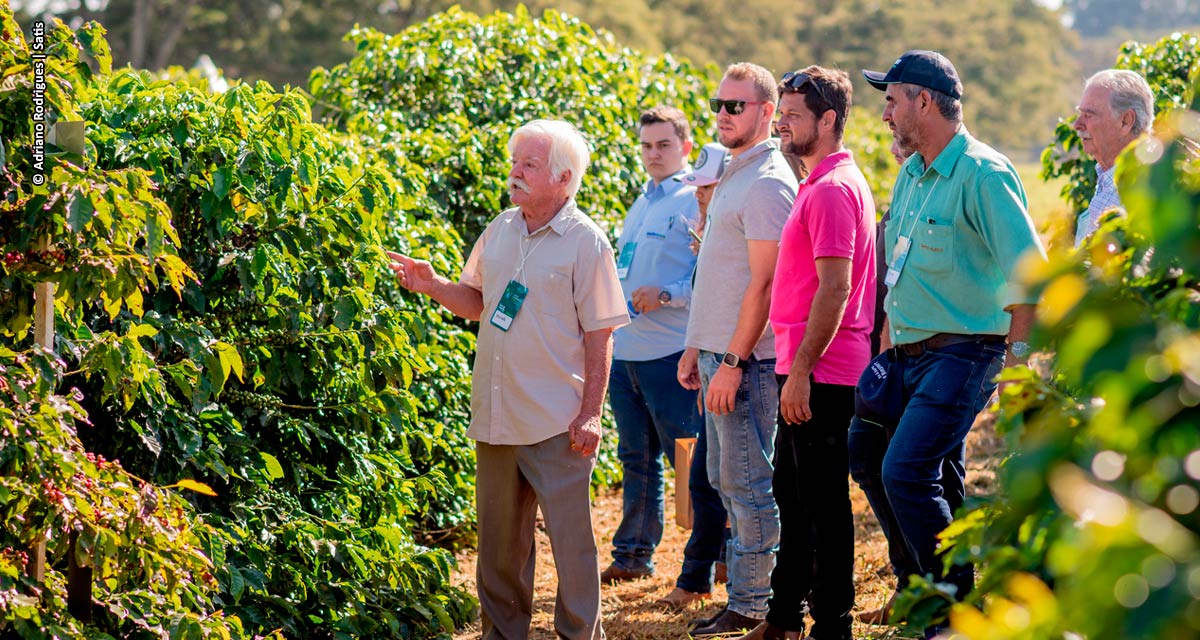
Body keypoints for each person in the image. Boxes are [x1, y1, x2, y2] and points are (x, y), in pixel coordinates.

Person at [387, 119, 628, 640]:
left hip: (554, 419)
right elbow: (477, 301)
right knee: (498, 547)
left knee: (572, 543)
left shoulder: (586, 243)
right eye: (515, 162)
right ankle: (503, 634)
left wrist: (590, 413)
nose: (514, 173)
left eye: (529, 165)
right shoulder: (500, 227)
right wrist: (432, 286)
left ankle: (580, 635)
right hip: (497, 415)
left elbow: (601, 335)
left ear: (564, 177)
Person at [853, 50, 1047, 638]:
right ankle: (920, 585)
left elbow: (1030, 279)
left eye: (891, 100)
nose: (884, 113)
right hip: (907, 355)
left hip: (966, 352)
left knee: (906, 471)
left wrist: (1016, 366)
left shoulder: (984, 174)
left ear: (924, 102)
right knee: (868, 455)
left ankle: (954, 608)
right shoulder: (912, 173)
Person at [733, 65, 877, 640]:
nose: (783, 125)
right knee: (796, 499)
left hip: (825, 371)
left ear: (829, 120)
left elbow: (836, 287)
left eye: (793, 116)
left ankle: (831, 625)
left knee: (821, 505)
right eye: (783, 113)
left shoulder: (836, 189)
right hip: (807, 366)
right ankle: (785, 617)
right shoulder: (819, 183)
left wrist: (802, 376)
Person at [678, 62, 798, 638]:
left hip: (746, 363)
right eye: (719, 105)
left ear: (767, 113)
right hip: (720, 355)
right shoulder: (736, 171)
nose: (724, 115)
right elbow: (721, 271)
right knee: (728, 480)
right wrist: (697, 346)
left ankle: (753, 605)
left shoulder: (769, 181)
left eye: (736, 106)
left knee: (748, 484)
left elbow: (767, 284)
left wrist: (730, 360)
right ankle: (746, 598)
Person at [602, 107, 726, 612]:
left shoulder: (694, 199)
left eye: (663, 145)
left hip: (671, 354)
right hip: (627, 352)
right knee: (636, 460)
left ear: (685, 144)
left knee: (690, 464)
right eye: (647, 145)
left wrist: (668, 296)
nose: (654, 154)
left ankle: (715, 558)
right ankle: (633, 554)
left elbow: (712, 276)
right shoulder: (641, 201)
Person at [657, 141, 735, 609]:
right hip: (713, 362)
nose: (700, 196)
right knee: (709, 477)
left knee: (733, 480)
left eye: (708, 189)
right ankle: (700, 575)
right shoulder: (706, 229)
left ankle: (714, 576)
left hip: (737, 366)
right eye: (698, 189)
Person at [1071, 69, 1155, 247]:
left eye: (1089, 115)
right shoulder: (1108, 179)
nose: (1077, 124)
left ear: (1125, 121)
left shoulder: (1149, 189)